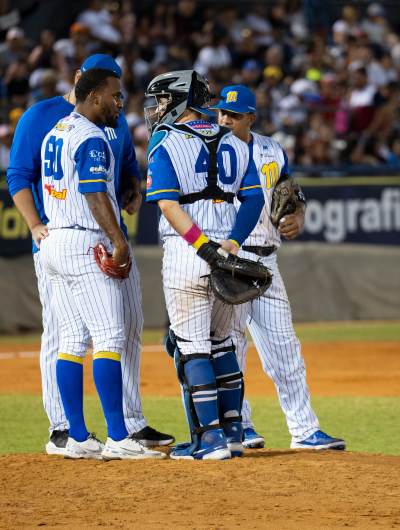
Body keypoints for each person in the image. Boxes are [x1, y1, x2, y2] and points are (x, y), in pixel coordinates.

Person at [6, 54, 173, 456]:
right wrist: (119, 241)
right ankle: (118, 437)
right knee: (109, 337)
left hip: (57, 243)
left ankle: (78, 438)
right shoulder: (91, 136)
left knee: (72, 341)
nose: (121, 103)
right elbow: (94, 192)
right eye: (115, 96)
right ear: (94, 95)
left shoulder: (59, 131)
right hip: (86, 242)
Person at [210, 84, 346, 451]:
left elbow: (291, 192)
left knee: (285, 349)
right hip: (231, 260)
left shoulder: (271, 149)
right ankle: (240, 427)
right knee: (231, 349)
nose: (225, 119)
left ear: (251, 118)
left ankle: (304, 431)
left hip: (266, 259)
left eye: (234, 115)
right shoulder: (211, 148)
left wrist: (297, 216)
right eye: (222, 113)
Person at [144, 71, 264, 460]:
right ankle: (233, 434)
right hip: (229, 254)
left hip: (187, 251)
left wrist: (203, 246)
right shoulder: (235, 140)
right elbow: (255, 201)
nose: (157, 109)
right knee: (224, 344)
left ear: (179, 100)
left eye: (162, 101)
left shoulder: (166, 138)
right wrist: (228, 245)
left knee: (192, 349)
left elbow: (167, 204)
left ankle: (208, 440)